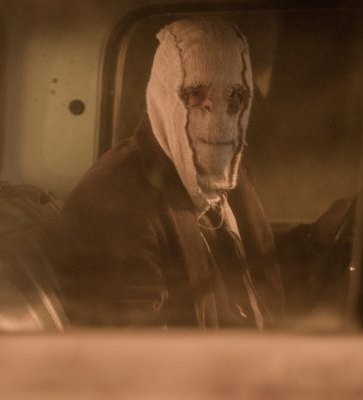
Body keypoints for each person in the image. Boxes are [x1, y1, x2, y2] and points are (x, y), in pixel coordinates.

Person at [55, 18, 283, 329]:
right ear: (165, 96)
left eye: (234, 97)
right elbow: (140, 345)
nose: (218, 115)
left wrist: (316, 240)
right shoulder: (114, 203)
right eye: (196, 94)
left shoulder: (227, 173)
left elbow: (246, 264)